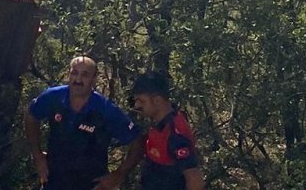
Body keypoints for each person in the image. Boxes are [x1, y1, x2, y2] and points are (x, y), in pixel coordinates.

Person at [26, 56, 144, 190]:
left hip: (91, 183)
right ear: (68, 74)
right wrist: (37, 155)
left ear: (94, 79)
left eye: (85, 75)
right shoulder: (53, 97)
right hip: (54, 180)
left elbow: (138, 141)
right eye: (74, 73)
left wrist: (118, 175)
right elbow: (31, 115)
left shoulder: (105, 109)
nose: (78, 80)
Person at [131, 72, 204, 190]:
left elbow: (195, 180)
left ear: (157, 100)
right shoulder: (161, 124)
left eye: (142, 101)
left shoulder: (175, 133)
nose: (137, 105)